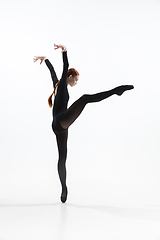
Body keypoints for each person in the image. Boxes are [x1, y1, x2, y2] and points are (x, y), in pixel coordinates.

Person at [33, 44, 134, 203]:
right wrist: (65, 52)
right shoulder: (63, 87)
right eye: (76, 80)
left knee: (62, 157)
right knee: (85, 98)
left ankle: (64, 189)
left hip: (58, 126)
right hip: (61, 120)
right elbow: (64, 67)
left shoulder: (57, 85)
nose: (76, 83)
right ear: (70, 77)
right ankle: (116, 90)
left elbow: (52, 73)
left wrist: (46, 60)